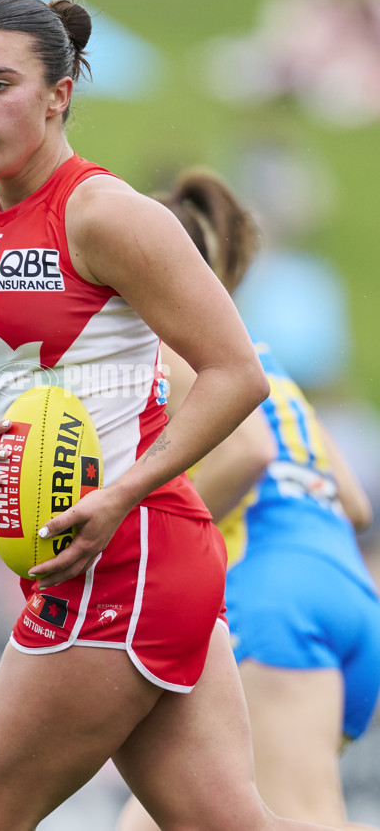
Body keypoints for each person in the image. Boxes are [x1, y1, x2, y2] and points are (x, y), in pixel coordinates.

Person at [0, 0, 344, 831]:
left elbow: (237, 376)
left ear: (59, 94)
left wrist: (122, 492)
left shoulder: (107, 214)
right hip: (99, 556)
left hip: (130, 552)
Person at [117, 168, 380, 831]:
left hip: (274, 600)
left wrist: (147, 532)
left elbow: (249, 452)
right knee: (156, 818)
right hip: (344, 590)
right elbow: (354, 503)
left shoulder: (167, 352)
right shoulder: (260, 356)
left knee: (302, 814)